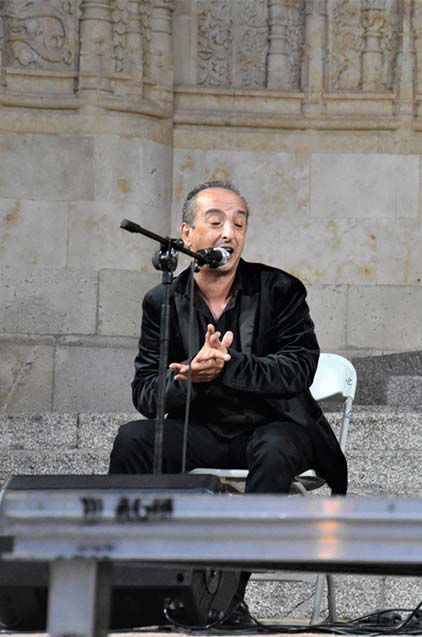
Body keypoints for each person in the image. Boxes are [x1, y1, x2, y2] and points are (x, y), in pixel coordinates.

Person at [109, 180, 347, 496]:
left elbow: (298, 368)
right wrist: (189, 377)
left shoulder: (280, 289)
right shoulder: (162, 301)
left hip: (275, 425)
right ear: (187, 234)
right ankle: (137, 541)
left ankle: (251, 544)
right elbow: (145, 392)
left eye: (239, 224)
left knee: (274, 449)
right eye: (216, 222)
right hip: (199, 431)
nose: (229, 233)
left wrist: (229, 366)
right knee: (133, 440)